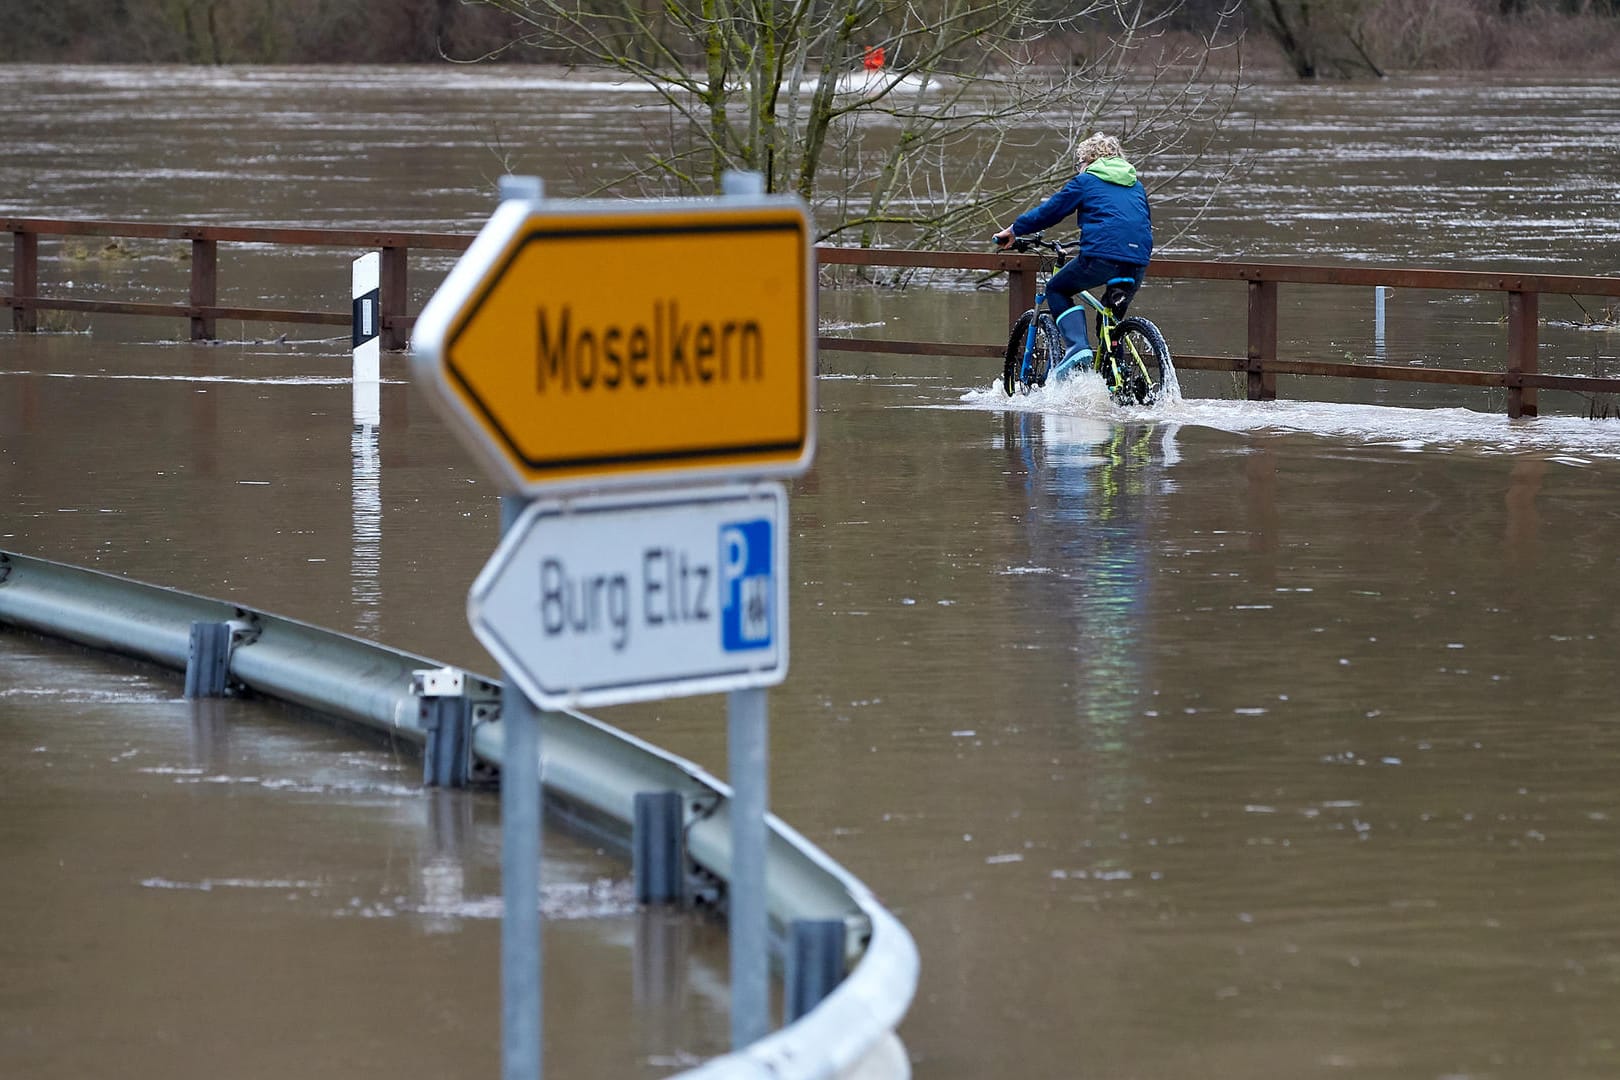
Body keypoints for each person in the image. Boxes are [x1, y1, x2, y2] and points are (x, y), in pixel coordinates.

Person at [993, 132, 1153, 371]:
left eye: (1079, 163)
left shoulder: (1087, 181)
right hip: (1137, 260)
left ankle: (1077, 346)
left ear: (1088, 160)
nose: (1078, 168)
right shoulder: (1135, 184)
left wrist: (1015, 230)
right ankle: (1120, 382)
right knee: (1110, 321)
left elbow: (1051, 211)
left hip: (1102, 257)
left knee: (1056, 288)